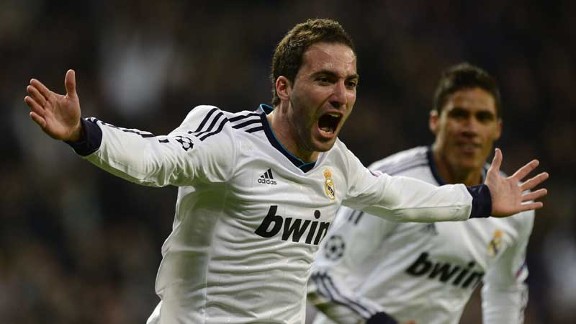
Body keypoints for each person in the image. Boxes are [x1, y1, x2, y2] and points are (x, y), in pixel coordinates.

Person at [24, 19, 547, 323]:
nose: (341, 94)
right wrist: (84, 135)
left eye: (350, 82)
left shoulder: (337, 164)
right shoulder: (229, 140)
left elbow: (397, 196)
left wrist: (479, 201)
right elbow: (157, 158)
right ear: (283, 87)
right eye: (325, 79)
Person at [307, 63, 537, 324]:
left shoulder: (510, 205)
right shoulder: (386, 183)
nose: (470, 128)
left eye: (482, 118)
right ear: (435, 121)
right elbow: (321, 276)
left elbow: (506, 289)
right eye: (459, 115)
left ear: (497, 128)